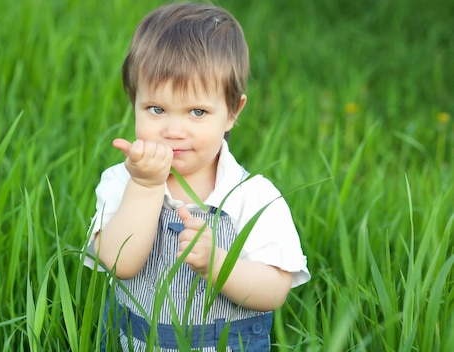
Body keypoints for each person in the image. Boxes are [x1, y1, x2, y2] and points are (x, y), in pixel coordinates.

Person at [84, 2, 310, 351]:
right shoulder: (121, 182)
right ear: (134, 103)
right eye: (156, 109)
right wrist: (145, 186)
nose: (174, 130)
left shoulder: (252, 196)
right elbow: (120, 263)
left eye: (197, 112)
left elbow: (274, 290)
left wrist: (218, 264)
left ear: (233, 112)